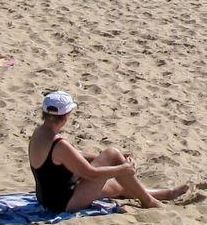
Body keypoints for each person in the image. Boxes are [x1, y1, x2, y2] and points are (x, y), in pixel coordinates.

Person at [28, 91, 190, 214]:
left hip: (47, 198)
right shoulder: (59, 144)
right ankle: (148, 201)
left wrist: (108, 161)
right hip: (63, 203)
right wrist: (123, 168)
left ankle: (165, 193)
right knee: (112, 155)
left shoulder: (40, 133)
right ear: (65, 117)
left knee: (119, 186)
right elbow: (91, 174)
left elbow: (74, 156)